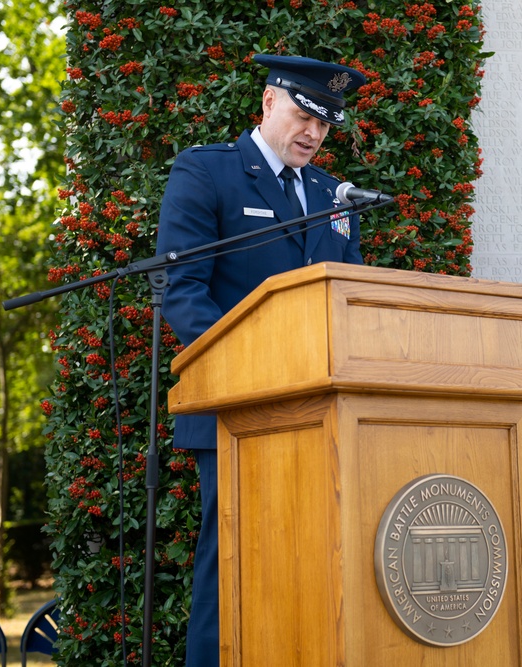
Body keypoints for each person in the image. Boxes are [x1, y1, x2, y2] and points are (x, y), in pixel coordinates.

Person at [155, 54, 366, 667]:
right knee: (234, 563)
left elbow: (344, 297)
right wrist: (258, 364)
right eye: (303, 115)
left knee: (314, 563)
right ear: (269, 103)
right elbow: (182, 290)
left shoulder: (335, 193)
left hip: (322, 412)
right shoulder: (209, 171)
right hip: (236, 411)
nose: (312, 134)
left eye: (324, 126)